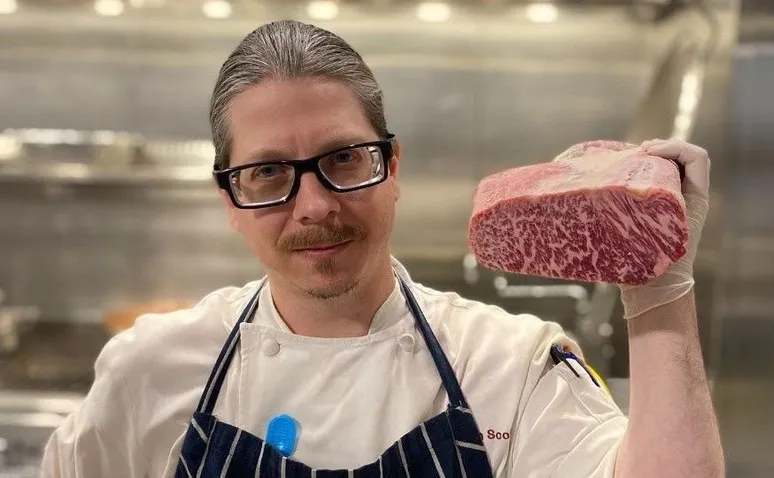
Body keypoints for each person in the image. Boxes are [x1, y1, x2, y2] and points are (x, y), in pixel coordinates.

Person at [41, 20, 724, 478]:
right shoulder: (154, 369)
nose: (314, 205)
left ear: (392, 165)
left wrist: (659, 289)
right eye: (269, 173)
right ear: (228, 200)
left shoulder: (509, 367)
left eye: (343, 158)